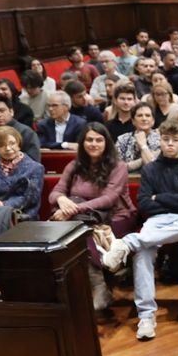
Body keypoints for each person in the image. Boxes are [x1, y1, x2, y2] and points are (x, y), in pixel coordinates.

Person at [101, 118, 178, 341]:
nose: (169, 144)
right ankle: (146, 316)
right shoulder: (151, 168)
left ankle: (127, 243)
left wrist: (160, 197)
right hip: (156, 221)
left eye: (175, 140)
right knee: (144, 252)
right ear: (160, 141)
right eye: (165, 140)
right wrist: (167, 200)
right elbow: (145, 203)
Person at [49, 123, 138, 310]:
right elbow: (55, 192)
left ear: (107, 143)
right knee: (72, 233)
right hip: (84, 217)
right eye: (89, 139)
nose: (94, 144)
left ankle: (98, 288)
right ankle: (79, 289)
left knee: (81, 233)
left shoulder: (118, 166)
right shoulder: (74, 165)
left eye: (99, 140)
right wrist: (62, 199)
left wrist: (72, 209)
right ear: (82, 143)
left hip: (117, 216)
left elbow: (108, 199)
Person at [0, 125, 45, 220]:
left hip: (22, 216)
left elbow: (30, 198)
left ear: (18, 144)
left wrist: (3, 205)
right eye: (2, 145)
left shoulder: (35, 168)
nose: (8, 148)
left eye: (12, 143)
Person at [116, 104, 161, 173]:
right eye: (140, 115)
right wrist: (146, 158)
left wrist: (143, 145)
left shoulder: (162, 139)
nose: (144, 119)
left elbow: (153, 167)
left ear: (153, 121)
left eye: (147, 115)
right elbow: (117, 168)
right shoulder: (122, 139)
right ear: (133, 121)